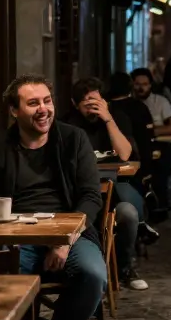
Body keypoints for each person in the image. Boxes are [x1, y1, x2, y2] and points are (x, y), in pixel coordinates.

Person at [0, 76, 106, 320]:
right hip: (18, 237)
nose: (43, 109)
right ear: (13, 110)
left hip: (71, 235)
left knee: (92, 275)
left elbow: (91, 197)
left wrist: (64, 239)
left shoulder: (73, 139)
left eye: (47, 101)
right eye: (33, 103)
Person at [61, 77, 154, 290]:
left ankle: (124, 268)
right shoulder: (68, 125)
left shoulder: (116, 118)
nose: (93, 109)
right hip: (81, 195)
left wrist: (108, 119)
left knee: (128, 214)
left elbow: (124, 154)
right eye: (87, 105)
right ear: (75, 105)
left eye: (97, 103)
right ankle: (88, 270)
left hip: (114, 193)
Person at [131, 67, 171, 214]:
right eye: (138, 84)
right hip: (136, 145)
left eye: (144, 84)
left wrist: (149, 131)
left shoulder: (160, 102)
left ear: (150, 85)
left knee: (160, 167)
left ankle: (160, 203)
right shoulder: (129, 104)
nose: (141, 88)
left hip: (159, 143)